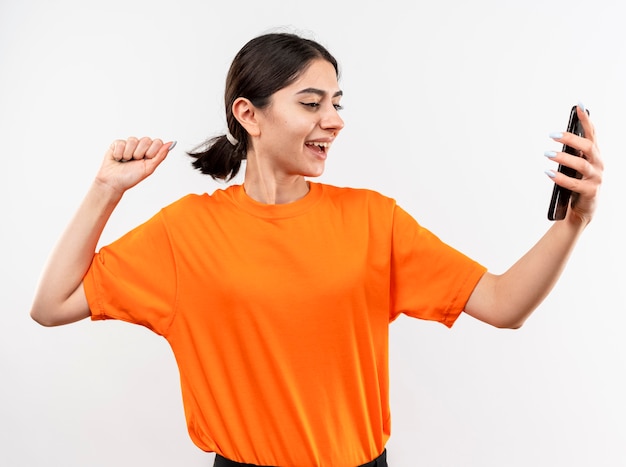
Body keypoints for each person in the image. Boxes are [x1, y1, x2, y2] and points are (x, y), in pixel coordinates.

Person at [30, 32, 603, 467]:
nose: (334, 120)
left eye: (336, 102)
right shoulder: (184, 231)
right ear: (248, 114)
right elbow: (51, 306)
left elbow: (505, 305)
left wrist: (574, 221)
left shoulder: (372, 219)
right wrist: (106, 189)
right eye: (310, 103)